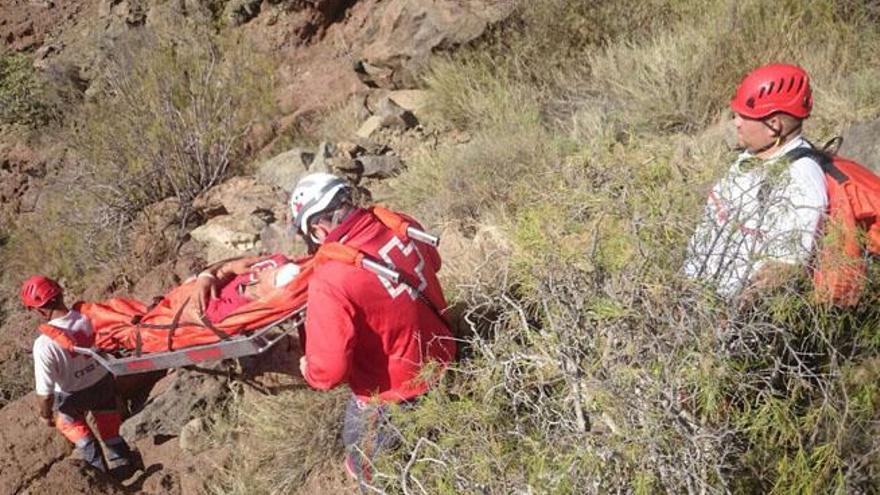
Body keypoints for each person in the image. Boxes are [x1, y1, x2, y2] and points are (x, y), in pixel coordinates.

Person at [290, 173, 457, 486]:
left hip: (395, 392)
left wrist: (309, 369)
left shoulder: (331, 280)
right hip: (445, 352)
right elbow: (433, 263)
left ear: (316, 228)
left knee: (366, 462)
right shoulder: (400, 223)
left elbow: (330, 371)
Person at [684, 63, 828, 302]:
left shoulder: (801, 180)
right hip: (695, 299)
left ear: (774, 126)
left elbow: (782, 270)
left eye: (744, 116)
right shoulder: (755, 155)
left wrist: (724, 321)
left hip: (727, 320)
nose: (736, 122)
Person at [20, 275, 136, 472]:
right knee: (110, 429)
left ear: (39, 309)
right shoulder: (88, 317)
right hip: (103, 383)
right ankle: (125, 464)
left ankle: (101, 477)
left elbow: (45, 394)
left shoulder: (44, 344)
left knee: (73, 429)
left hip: (72, 397)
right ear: (60, 293)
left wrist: (45, 416)